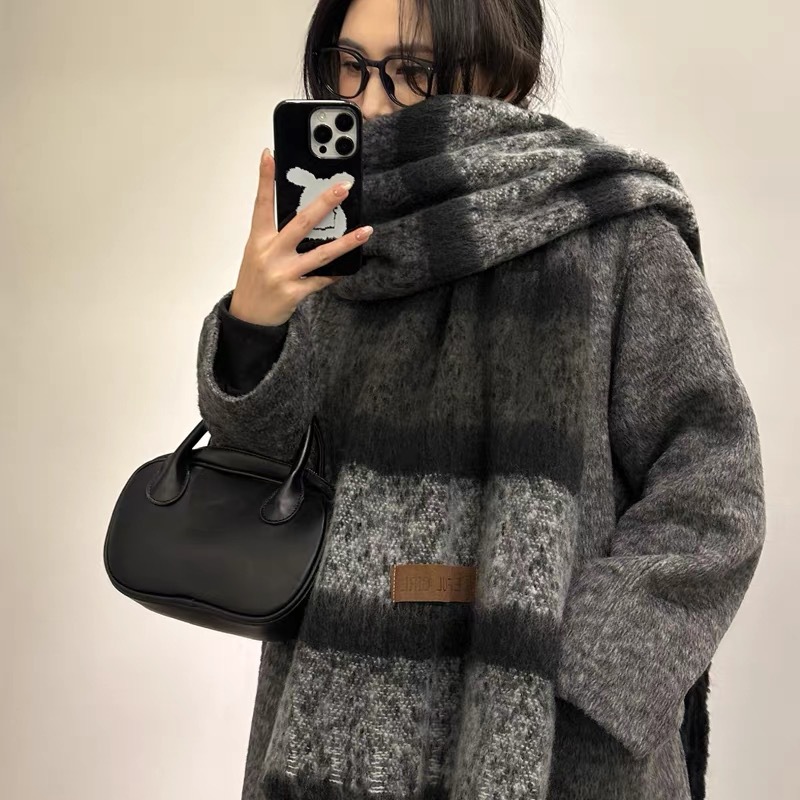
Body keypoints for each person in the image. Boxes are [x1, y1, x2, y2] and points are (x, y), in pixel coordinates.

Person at [196, 1, 766, 799]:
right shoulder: (329, 243)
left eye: (411, 72)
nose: (369, 102)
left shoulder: (615, 233)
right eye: (348, 65)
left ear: (503, 71)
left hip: (552, 744)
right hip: (334, 734)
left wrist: (588, 678)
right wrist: (255, 326)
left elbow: (714, 490)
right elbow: (261, 480)